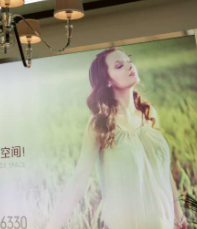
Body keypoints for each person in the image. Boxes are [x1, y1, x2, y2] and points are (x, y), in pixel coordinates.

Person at [45, 48, 187, 229]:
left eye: (129, 61)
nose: (130, 66)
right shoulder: (100, 124)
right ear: (107, 80)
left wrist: (178, 215)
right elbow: (78, 181)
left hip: (164, 222)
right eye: (119, 66)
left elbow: (162, 169)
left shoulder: (148, 113)